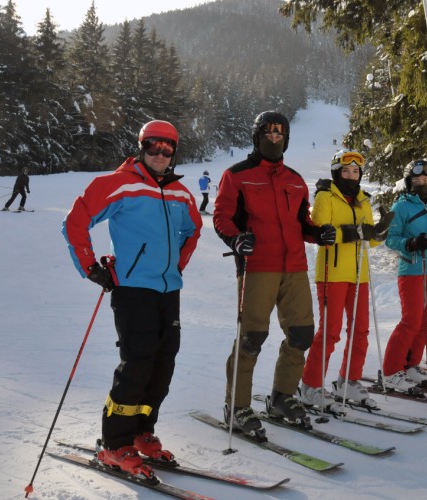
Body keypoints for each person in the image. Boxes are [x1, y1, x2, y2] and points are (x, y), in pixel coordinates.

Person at [61, 120, 202, 477]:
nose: (159, 153)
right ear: (142, 146)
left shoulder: (180, 192)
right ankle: (114, 444)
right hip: (132, 289)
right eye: (153, 145)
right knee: (138, 361)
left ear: (174, 151)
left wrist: (175, 266)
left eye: (167, 147)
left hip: (169, 289)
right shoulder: (118, 183)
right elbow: (76, 221)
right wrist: (92, 268)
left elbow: (193, 230)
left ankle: (142, 432)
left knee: (163, 362)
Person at [213, 111, 336, 434]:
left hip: (294, 267)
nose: (274, 136)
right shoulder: (237, 175)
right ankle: (237, 407)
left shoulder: (294, 180)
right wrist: (236, 239)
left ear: (287, 138)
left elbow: (302, 221)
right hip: (257, 267)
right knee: (252, 337)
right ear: (256, 136)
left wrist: (317, 233)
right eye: (267, 132)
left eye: (280, 132)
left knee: (301, 334)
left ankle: (282, 396)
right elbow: (222, 217)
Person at [299, 150, 393, 408]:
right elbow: (322, 233)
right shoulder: (325, 197)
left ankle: (348, 381)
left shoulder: (362, 200)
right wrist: (352, 233)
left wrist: (379, 232)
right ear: (336, 173)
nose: (351, 175)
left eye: (355, 171)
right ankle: (310, 385)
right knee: (330, 332)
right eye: (346, 171)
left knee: (360, 330)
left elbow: (367, 240)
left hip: (359, 275)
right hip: (332, 273)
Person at [381, 159, 427, 392]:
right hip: (412, 270)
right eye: (418, 179)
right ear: (409, 182)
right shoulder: (401, 207)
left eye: (426, 179)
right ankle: (391, 371)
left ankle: (411, 365)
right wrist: (410, 243)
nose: (423, 182)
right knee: (411, 321)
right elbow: (390, 238)